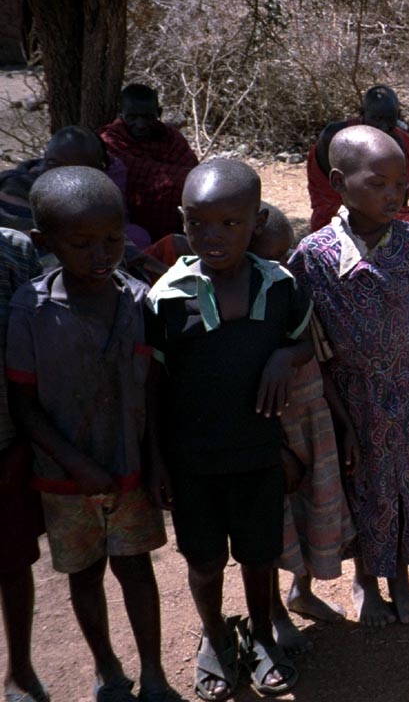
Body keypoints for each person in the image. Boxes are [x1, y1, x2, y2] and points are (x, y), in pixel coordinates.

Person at [6, 167, 178, 702]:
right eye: (81, 243)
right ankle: (107, 669)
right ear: (45, 243)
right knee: (84, 575)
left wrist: (156, 461)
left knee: (136, 569)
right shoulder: (30, 312)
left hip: (128, 470)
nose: (102, 254)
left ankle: (153, 674)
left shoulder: (137, 300)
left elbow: (152, 392)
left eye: (113, 239)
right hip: (65, 482)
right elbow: (24, 406)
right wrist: (75, 464)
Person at [145, 160, 313, 699]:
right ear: (183, 221)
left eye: (229, 223)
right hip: (193, 460)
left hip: (259, 454)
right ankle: (215, 636)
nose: (212, 237)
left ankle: (261, 633)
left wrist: (287, 356)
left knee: (259, 554)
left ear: (256, 219)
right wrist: (158, 459)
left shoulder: (281, 286)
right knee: (203, 558)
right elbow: (153, 386)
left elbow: (309, 342)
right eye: (198, 224)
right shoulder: (166, 298)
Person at [288, 126, 409, 627]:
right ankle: (366, 580)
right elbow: (310, 347)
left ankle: (400, 574)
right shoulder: (315, 256)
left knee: (405, 484)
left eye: (400, 184)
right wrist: (339, 418)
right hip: (352, 397)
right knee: (362, 489)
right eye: (379, 183)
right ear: (339, 181)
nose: (393, 194)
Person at [250, 206, 355, 656]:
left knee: (314, 509)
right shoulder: (247, 312)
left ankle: (302, 591)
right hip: (271, 436)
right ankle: (272, 612)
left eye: (283, 254)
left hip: (314, 427)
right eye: (267, 257)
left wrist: (343, 424)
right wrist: (277, 448)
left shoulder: (293, 294)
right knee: (274, 524)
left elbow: (320, 363)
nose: (279, 264)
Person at [0, 227, 48, 702]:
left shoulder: (13, 252)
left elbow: (37, 348)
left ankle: (21, 668)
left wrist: (23, 439)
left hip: (8, 441)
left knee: (12, 562)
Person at [0, 126, 147, 247]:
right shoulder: (14, 191)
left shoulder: (94, 193)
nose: (65, 178)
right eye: (55, 166)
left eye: (77, 170)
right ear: (46, 162)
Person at [305, 85, 409, 232]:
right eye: (376, 119)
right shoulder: (334, 136)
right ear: (362, 113)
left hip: (385, 214)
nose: (382, 126)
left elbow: (400, 201)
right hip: (338, 215)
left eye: (389, 120)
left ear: (398, 117)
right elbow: (337, 193)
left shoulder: (402, 144)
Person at [97, 84, 199, 244]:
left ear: (159, 113)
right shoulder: (109, 141)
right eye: (132, 117)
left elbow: (195, 178)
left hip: (177, 228)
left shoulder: (171, 138)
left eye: (148, 117)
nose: (140, 124)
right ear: (121, 114)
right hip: (128, 230)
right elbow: (185, 179)